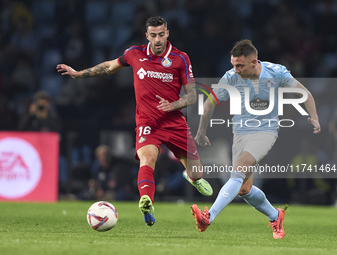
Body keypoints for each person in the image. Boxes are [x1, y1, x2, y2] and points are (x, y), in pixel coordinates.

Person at [57, 16, 213, 226]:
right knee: (147, 159)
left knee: (197, 172)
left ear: (167, 33)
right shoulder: (134, 53)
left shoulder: (180, 58)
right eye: (153, 35)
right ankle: (146, 199)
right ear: (147, 35)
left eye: (161, 34)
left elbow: (192, 96)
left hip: (175, 122)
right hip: (148, 122)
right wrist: (78, 73)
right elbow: (109, 66)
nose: (158, 39)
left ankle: (192, 177)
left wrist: (173, 105)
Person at [191, 39, 321, 239]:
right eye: (233, 65)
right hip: (240, 133)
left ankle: (209, 217)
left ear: (254, 62)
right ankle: (275, 215)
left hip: (266, 131)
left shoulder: (276, 72)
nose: (236, 70)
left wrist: (314, 116)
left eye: (240, 65)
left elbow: (304, 92)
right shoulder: (231, 77)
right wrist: (201, 131)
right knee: (244, 189)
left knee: (239, 169)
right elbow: (209, 103)